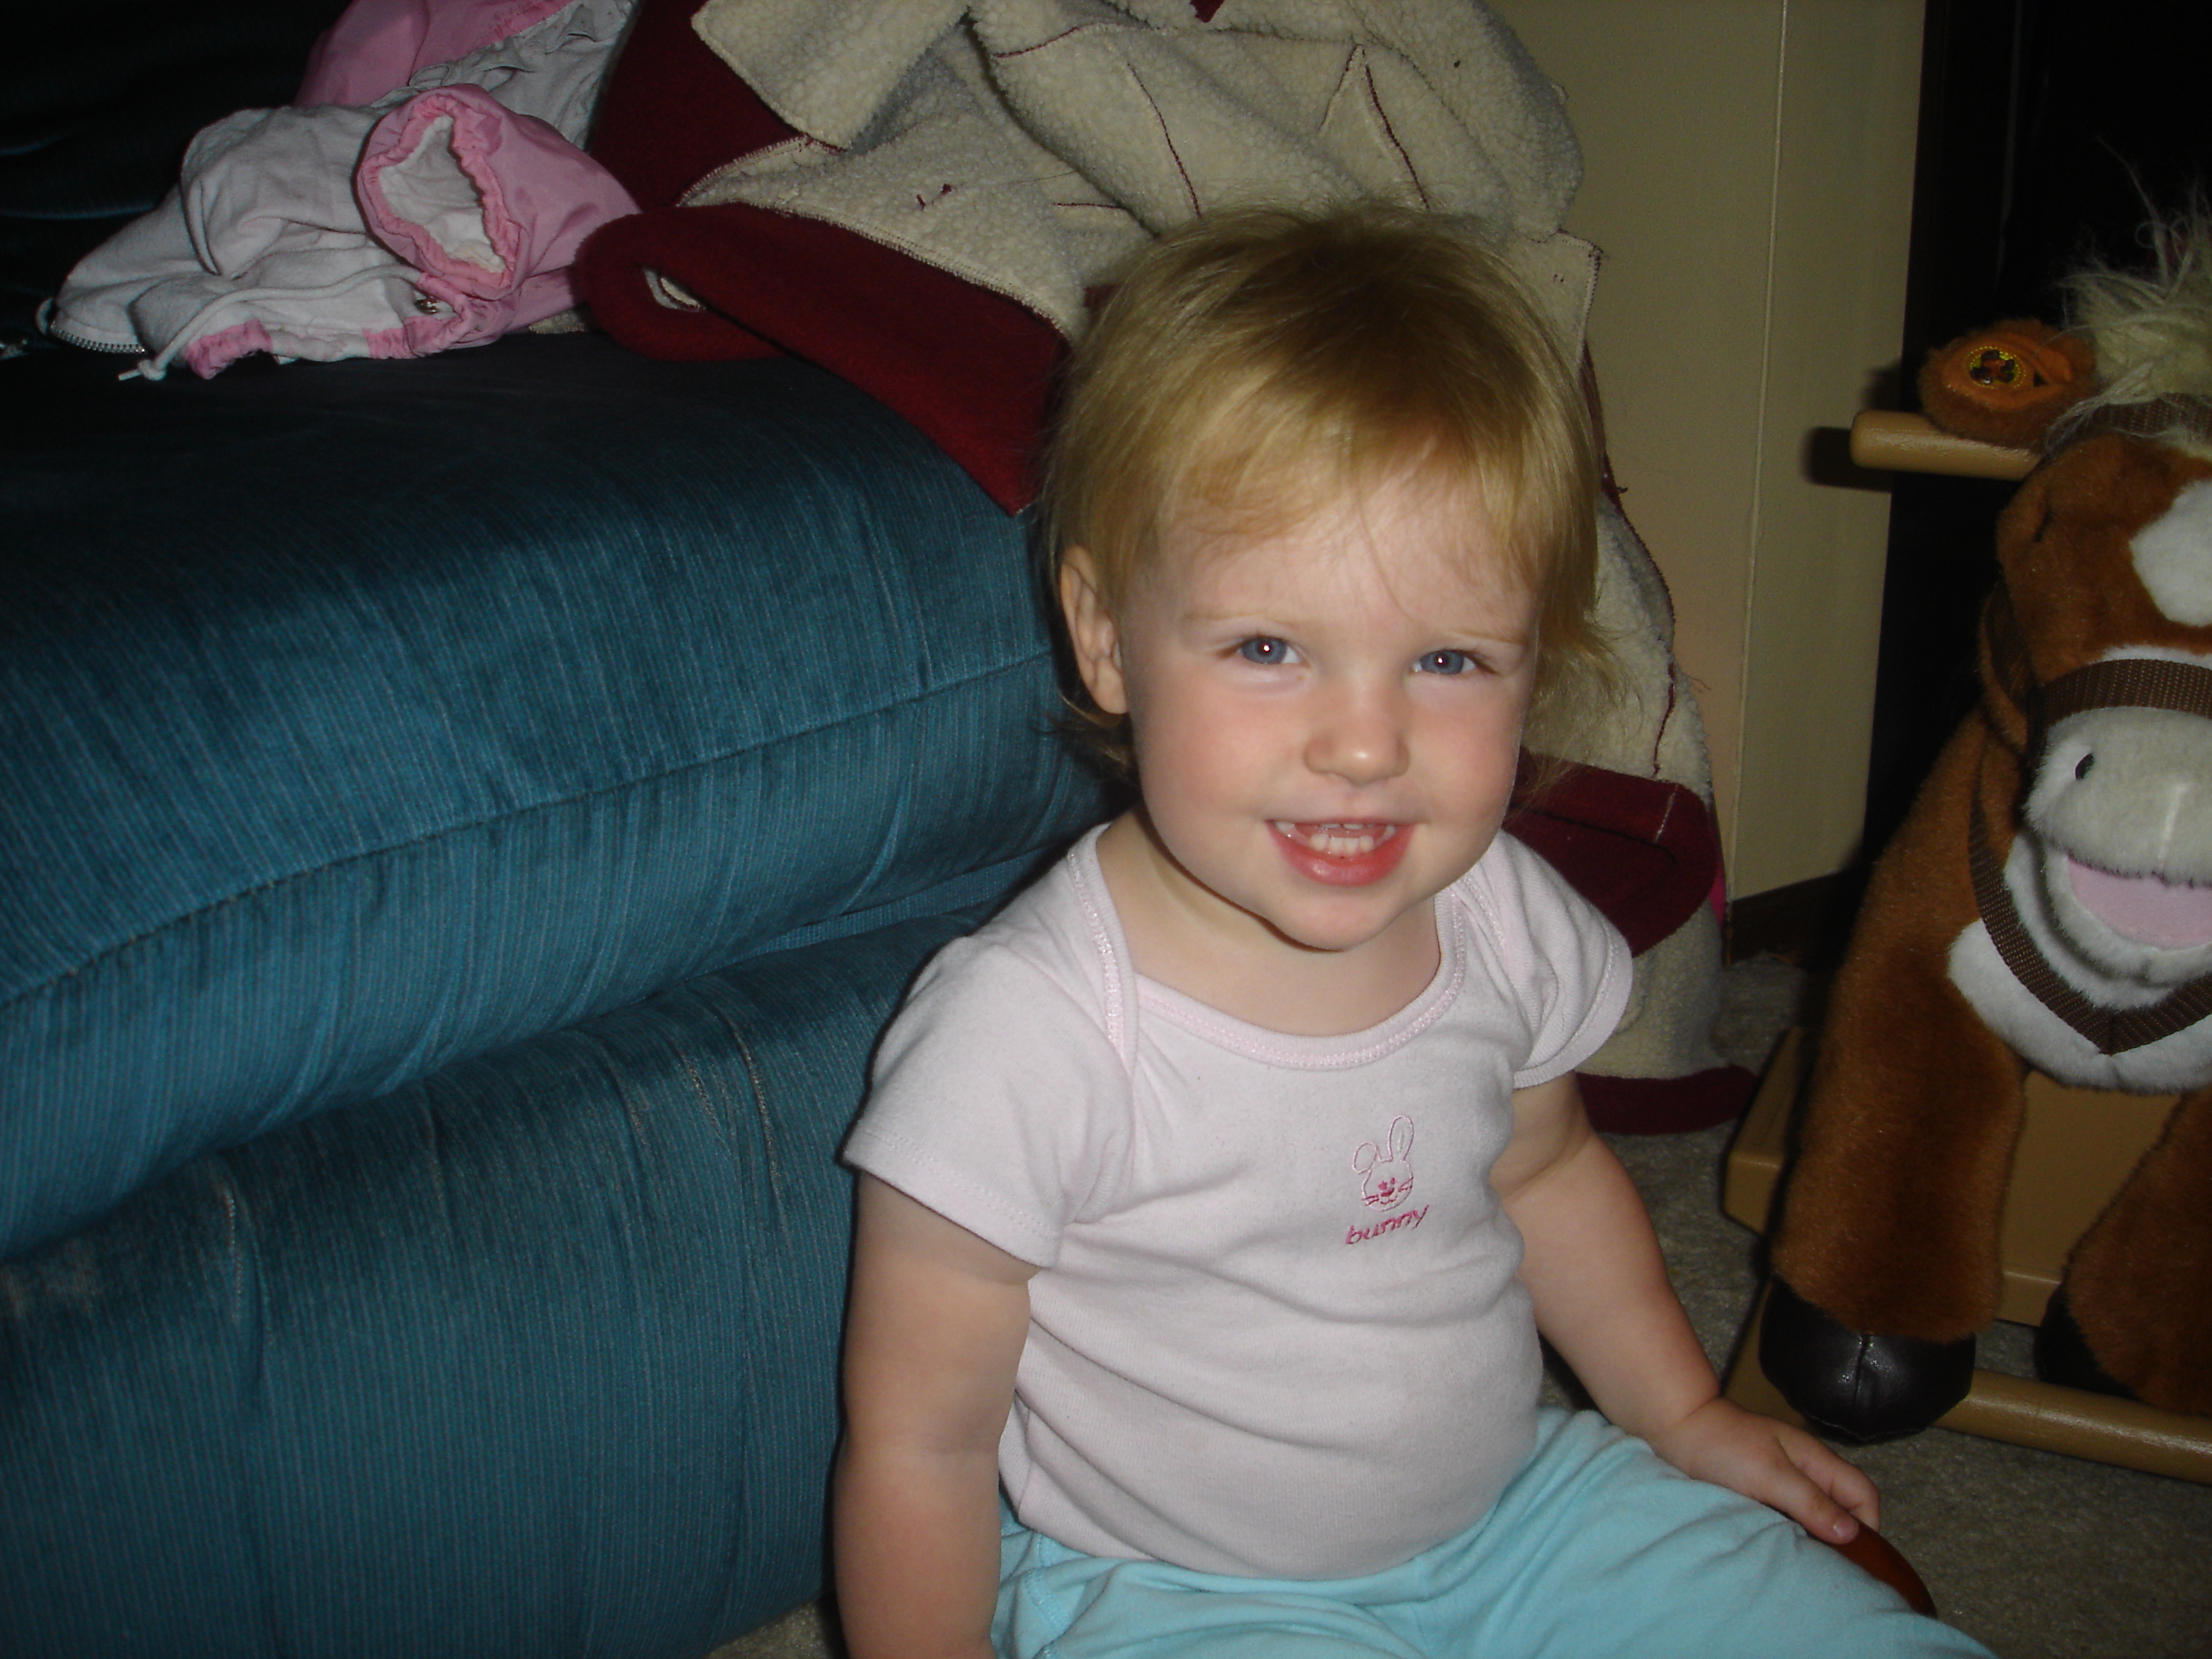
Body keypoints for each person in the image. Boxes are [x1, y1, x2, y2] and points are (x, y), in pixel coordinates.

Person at [832, 203, 1994, 1659]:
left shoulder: (1501, 915)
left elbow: (1549, 1171)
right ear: (1109, 639)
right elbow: (922, 1444)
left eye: (1447, 659)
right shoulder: (1027, 1034)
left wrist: (1684, 1415)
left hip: (1520, 1515)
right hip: (1183, 1590)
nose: (1366, 746)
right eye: (1269, 648)